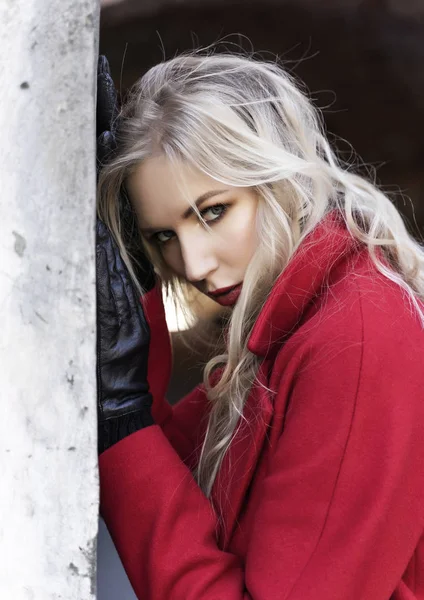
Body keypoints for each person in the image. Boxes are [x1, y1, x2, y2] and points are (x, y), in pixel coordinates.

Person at [95, 52, 424, 599]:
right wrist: (132, 327)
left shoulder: (354, 338)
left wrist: (119, 412)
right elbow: (171, 492)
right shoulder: (286, 329)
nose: (193, 265)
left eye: (213, 211)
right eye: (161, 237)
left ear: (278, 178)